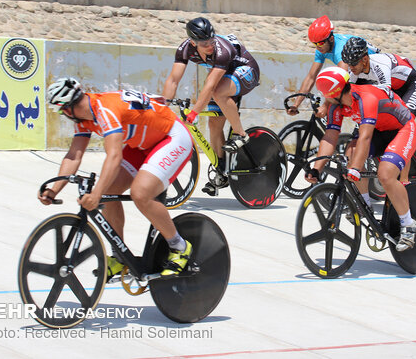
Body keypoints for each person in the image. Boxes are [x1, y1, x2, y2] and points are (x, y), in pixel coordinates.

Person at [39, 78, 194, 279]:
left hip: (171, 137)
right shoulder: (85, 118)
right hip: (141, 144)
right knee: (108, 193)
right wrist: (53, 189)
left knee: (140, 194)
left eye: (61, 112)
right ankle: (120, 257)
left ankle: (179, 246)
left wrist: (95, 194)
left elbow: (114, 156)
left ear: (67, 109)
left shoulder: (104, 110)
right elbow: (74, 155)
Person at [305, 66, 416, 251]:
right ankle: (363, 205)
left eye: (325, 94)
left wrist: (356, 169)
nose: (325, 99)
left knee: (385, 175)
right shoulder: (337, 105)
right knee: (350, 153)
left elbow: (365, 137)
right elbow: (330, 136)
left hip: (402, 129)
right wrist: (316, 169)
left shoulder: (366, 98)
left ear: (333, 92)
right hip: (379, 131)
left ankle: (408, 225)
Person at [163, 17, 261, 196]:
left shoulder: (222, 50)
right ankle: (222, 170)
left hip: (246, 70)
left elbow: (210, 85)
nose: (209, 46)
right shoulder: (184, 49)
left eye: (211, 40)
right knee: (214, 126)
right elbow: (173, 80)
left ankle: (241, 134)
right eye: (204, 43)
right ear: (193, 42)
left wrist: (194, 112)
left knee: (217, 92)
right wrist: (163, 106)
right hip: (225, 77)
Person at [341, 36, 416, 184]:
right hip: (393, 88)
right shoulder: (356, 68)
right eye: (349, 63)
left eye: (354, 63)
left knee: (402, 123)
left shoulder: (380, 65)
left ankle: (404, 181)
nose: (351, 67)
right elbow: (351, 93)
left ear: (365, 60)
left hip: (410, 87)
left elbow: (386, 97)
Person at [286, 15, 380, 118]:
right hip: (357, 72)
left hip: (373, 73)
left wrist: (325, 105)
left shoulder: (340, 49)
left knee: (343, 101)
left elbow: (341, 80)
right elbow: (310, 78)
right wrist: (296, 104)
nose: (318, 47)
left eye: (321, 43)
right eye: (314, 43)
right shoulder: (321, 49)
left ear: (331, 38)